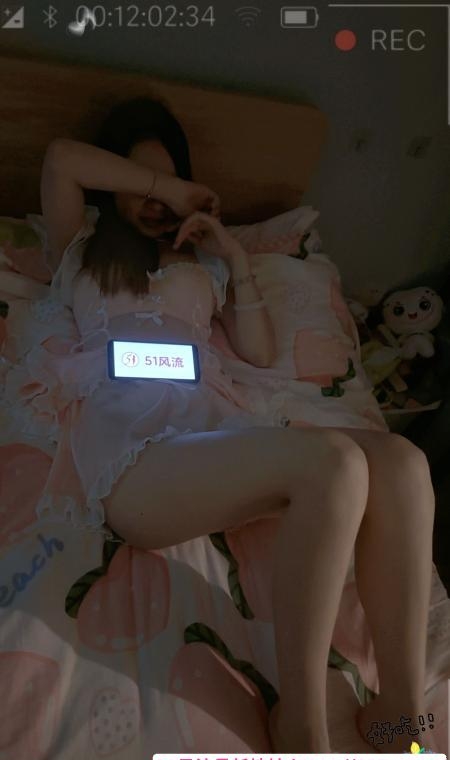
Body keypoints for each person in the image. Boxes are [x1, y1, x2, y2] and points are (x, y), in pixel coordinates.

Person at [32, 97, 435, 752]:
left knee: (403, 463)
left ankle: (401, 714)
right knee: (334, 465)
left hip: (214, 429)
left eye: (168, 183)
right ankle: (301, 722)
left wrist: (233, 256)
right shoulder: (79, 242)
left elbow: (260, 350)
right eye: (141, 185)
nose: (155, 202)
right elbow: (60, 160)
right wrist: (173, 189)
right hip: (136, 450)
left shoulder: (204, 263)